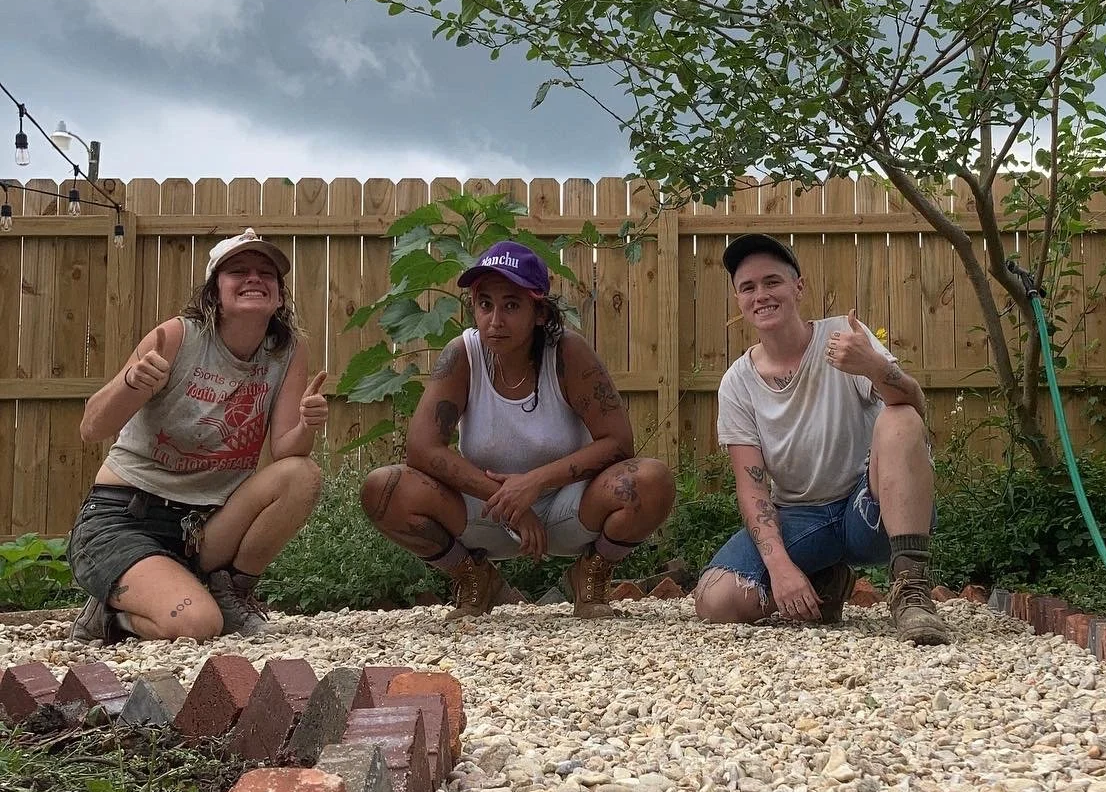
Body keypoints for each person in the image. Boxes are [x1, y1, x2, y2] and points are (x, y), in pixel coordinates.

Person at [361, 240, 676, 619]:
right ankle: (473, 575)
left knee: (652, 480)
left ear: (539, 312)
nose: (495, 320)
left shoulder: (567, 353)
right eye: (485, 304)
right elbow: (422, 448)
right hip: (487, 509)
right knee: (383, 489)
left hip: (568, 505)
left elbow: (618, 442)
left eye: (511, 305)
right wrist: (508, 499)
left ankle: (591, 572)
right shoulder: (463, 355)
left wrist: (535, 482)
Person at [69, 229, 328, 642]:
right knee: (198, 625)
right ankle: (109, 614)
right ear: (214, 291)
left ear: (279, 297)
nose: (254, 278)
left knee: (303, 474)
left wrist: (307, 425)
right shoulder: (177, 337)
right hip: (125, 517)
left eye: (267, 273)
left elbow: (286, 451)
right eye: (237, 271)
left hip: (204, 527)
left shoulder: (286, 351)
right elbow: (91, 427)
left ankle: (234, 591)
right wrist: (132, 384)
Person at [694, 233, 949, 645]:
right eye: (748, 287)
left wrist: (873, 366)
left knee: (899, 420)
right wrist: (780, 568)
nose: (761, 295)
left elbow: (915, 405)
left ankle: (912, 591)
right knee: (716, 601)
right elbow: (752, 486)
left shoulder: (842, 339)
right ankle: (824, 578)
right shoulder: (737, 384)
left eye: (772, 282)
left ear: (799, 286)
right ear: (739, 300)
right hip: (801, 519)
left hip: (869, 508)